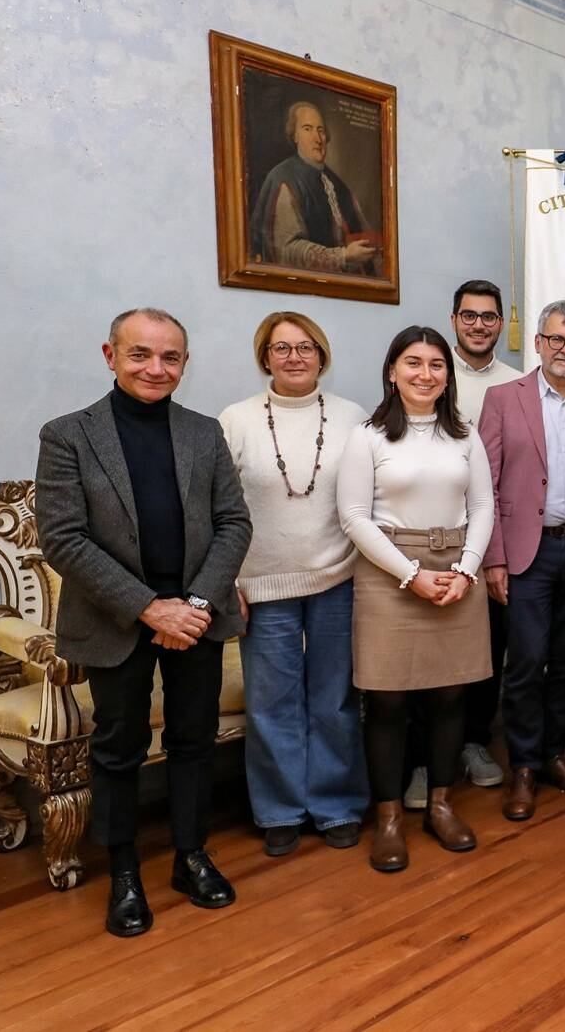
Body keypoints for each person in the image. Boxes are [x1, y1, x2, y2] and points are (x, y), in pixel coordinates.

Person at [35, 307, 252, 938]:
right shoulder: (68, 435)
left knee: (193, 739)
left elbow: (234, 522)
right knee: (118, 747)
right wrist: (148, 607)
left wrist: (196, 605)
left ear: (184, 363)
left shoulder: (204, 433)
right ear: (111, 356)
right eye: (140, 354)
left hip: (196, 619)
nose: (155, 368)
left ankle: (191, 855)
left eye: (170, 357)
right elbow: (63, 538)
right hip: (116, 620)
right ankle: (124, 871)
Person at [338, 326, 494, 872]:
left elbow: (483, 506)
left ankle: (441, 806)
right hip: (389, 572)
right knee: (387, 702)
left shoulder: (464, 434)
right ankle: (388, 820)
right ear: (392, 371)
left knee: (451, 696)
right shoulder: (368, 436)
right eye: (413, 363)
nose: (425, 374)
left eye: (436, 365)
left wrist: (466, 571)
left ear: (447, 376)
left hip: (457, 571)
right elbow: (353, 517)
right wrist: (411, 575)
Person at [219, 312, 369, 858]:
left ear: (321, 356)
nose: (294, 357)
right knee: (271, 703)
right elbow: (217, 508)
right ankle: (280, 810)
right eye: (281, 348)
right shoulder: (235, 420)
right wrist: (227, 581)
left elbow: (369, 496)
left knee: (335, 700)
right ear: (265, 357)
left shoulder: (353, 417)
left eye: (306, 347)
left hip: (338, 576)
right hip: (260, 584)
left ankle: (337, 805)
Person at [479, 301, 565, 821]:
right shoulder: (502, 398)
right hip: (526, 551)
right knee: (525, 661)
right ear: (538, 343)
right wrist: (493, 558)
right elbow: (485, 485)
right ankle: (523, 765)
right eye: (557, 339)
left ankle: (553, 755)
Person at [399, 279, 522, 812]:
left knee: (485, 650)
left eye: (489, 316)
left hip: (486, 541)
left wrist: (491, 555)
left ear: (501, 322)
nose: (479, 325)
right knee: (421, 658)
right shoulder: (428, 375)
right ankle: (422, 761)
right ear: (453, 321)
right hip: (422, 543)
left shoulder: (516, 384)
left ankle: (472, 741)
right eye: (468, 315)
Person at [248, 100, 379, 274]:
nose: (317, 139)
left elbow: (362, 231)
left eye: (321, 130)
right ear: (295, 136)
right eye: (307, 129)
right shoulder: (283, 178)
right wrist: (343, 256)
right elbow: (286, 250)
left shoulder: (336, 183)